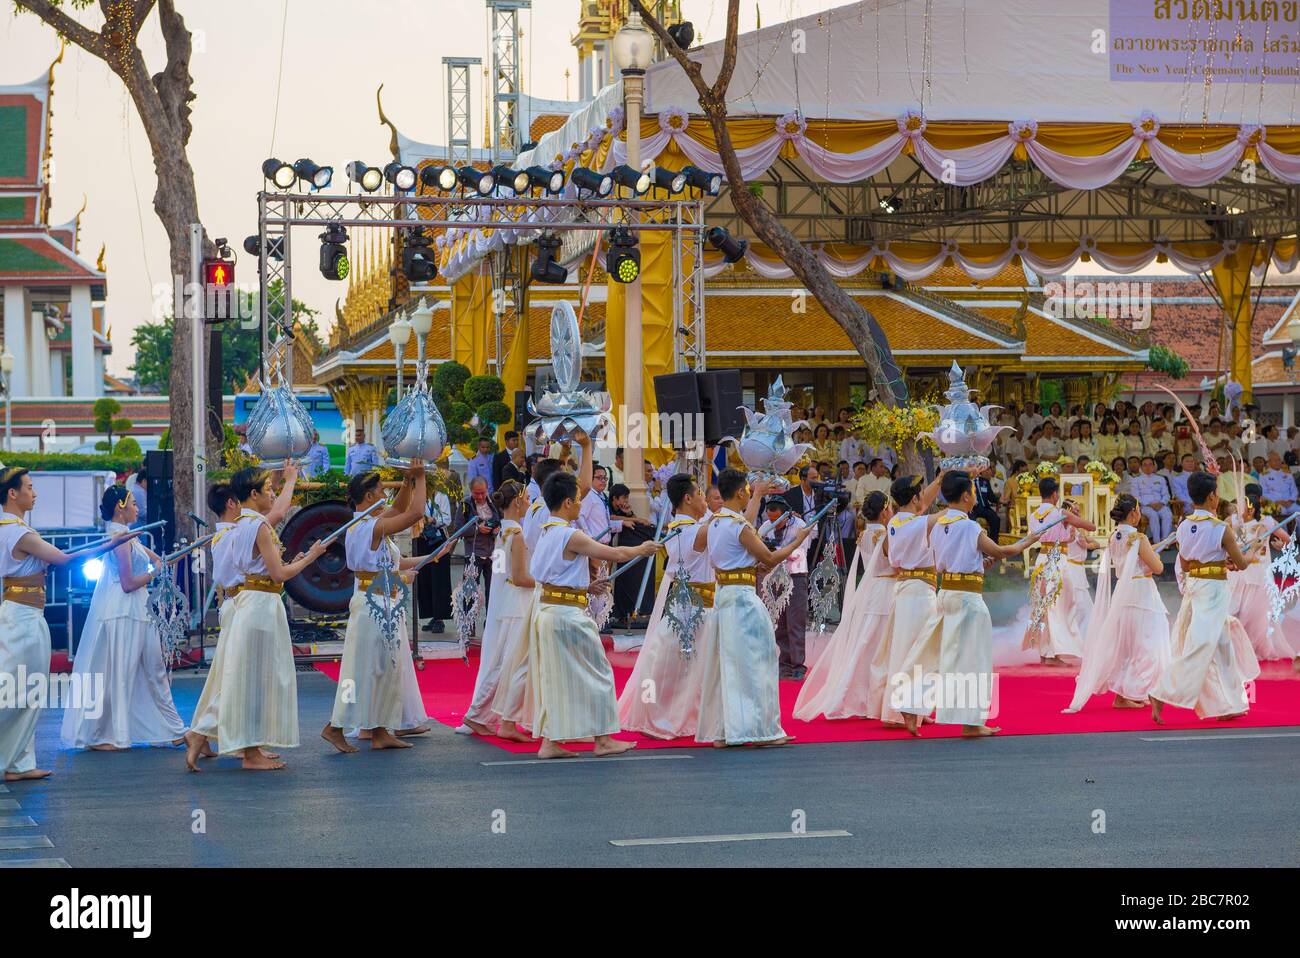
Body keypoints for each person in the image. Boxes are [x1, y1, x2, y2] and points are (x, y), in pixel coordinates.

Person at [184, 467, 327, 771]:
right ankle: (239, 749)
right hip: (258, 605)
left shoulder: (236, 526)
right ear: (253, 495)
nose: (272, 494)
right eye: (267, 488)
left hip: (251, 601)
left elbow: (265, 568)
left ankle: (222, 739)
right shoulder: (256, 526)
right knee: (250, 679)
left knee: (246, 678)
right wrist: (311, 558)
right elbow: (278, 574)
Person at [0, 468, 136, 781]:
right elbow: (65, 559)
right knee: (19, 691)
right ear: (12, 493)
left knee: (23, 690)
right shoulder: (18, 532)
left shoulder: (12, 527)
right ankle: (16, 762)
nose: (34, 494)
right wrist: (111, 544)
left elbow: (54, 557)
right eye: (30, 488)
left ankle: (19, 763)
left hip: (21, 614)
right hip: (23, 619)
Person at [528, 471, 658, 759]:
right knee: (599, 671)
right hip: (566, 615)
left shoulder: (547, 532)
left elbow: (549, 575)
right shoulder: (568, 533)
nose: (580, 505)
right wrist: (643, 549)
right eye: (576, 500)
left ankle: (550, 741)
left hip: (549, 610)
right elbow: (613, 554)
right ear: (565, 503)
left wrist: (584, 586)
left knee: (554, 678)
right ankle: (602, 739)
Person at [60, 485, 187, 751]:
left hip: (138, 610)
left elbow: (158, 560)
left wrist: (170, 560)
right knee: (122, 672)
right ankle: (110, 734)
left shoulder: (129, 536)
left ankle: (175, 729)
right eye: (133, 502)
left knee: (155, 669)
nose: (138, 507)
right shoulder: (118, 538)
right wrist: (156, 572)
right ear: (121, 506)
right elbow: (129, 583)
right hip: (122, 610)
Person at [696, 469, 812, 747]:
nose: (749, 492)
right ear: (739, 493)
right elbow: (770, 558)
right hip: (743, 600)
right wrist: (798, 539)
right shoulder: (739, 527)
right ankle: (760, 731)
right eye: (748, 490)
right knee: (759, 662)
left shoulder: (714, 522)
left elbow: (737, 532)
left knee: (727, 665)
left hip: (724, 596)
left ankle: (725, 731)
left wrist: (758, 495)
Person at [321, 464, 427, 754]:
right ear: (369, 496)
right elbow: (414, 513)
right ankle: (335, 725)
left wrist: (407, 480)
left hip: (378, 603)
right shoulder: (371, 526)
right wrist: (420, 476)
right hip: (375, 603)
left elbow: (400, 506)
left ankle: (380, 730)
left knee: (382, 670)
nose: (385, 495)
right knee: (361, 672)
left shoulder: (365, 521)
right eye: (380, 491)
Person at [927, 471, 1039, 737]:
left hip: (948, 593)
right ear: (966, 495)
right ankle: (972, 721)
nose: (975, 496)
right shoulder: (969, 526)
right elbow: (1001, 551)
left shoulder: (938, 524)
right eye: (973, 492)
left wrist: (979, 564)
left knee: (952, 659)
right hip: (967, 599)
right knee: (975, 659)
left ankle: (961, 716)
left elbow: (949, 562)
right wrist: (1029, 541)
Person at [1150, 472, 1259, 723]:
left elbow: (1188, 565)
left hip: (1197, 586)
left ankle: (1228, 703)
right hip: (1213, 590)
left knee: (1221, 646)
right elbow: (1242, 564)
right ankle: (1161, 691)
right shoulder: (1221, 528)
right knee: (1203, 645)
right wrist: (1252, 548)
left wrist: (1222, 562)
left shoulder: (1184, 526)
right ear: (1212, 496)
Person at [617, 473, 719, 739]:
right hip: (697, 608)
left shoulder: (680, 526)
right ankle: (671, 717)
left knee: (677, 665)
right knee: (689, 666)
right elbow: (727, 526)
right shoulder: (692, 530)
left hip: (685, 606)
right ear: (687, 498)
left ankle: (670, 714)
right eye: (700, 494)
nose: (704, 499)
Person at [793, 491, 895, 721]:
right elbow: (894, 564)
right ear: (884, 510)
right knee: (881, 647)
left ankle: (861, 696)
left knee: (866, 646)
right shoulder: (886, 535)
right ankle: (876, 698)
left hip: (870, 591)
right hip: (886, 589)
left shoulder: (865, 534)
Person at [1065, 494, 1168, 712]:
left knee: (1128, 647)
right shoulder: (1138, 537)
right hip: (1142, 592)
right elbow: (1157, 568)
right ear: (1133, 513)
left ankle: (1126, 694)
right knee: (1149, 645)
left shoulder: (1115, 536)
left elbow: (1138, 556)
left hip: (1123, 593)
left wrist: (1164, 543)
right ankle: (1135, 691)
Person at [460, 480, 535, 736]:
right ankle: (487, 715)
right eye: (526, 499)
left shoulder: (504, 530)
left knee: (508, 662)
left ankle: (484, 714)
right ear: (517, 501)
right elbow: (520, 578)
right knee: (511, 663)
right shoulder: (516, 534)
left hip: (508, 601)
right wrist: (548, 583)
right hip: (517, 602)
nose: (528, 503)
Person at [872, 473, 945, 733]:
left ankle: (915, 708)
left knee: (904, 650)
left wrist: (942, 478)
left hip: (906, 590)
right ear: (914, 498)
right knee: (923, 650)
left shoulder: (896, 521)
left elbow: (923, 505)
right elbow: (946, 515)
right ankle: (909, 708)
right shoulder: (917, 523)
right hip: (919, 594)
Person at [1023, 477, 1096, 665]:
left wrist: (1068, 530)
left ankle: (1046, 653)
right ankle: (1053, 653)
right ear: (1055, 494)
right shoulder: (1059, 512)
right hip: (1056, 561)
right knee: (1058, 607)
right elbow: (1090, 526)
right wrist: (1072, 519)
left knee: (1046, 607)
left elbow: (1062, 537)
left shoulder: (1033, 516)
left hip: (1041, 560)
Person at [1227, 493, 1296, 661]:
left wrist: (1281, 546)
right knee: (1232, 612)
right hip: (1236, 573)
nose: (1239, 509)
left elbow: (1289, 541)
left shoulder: (1266, 522)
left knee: (1254, 615)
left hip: (1257, 573)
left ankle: (1251, 649)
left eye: (1243, 505)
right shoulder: (1232, 521)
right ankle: (1233, 649)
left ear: (1251, 508)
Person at [757, 498, 811, 679]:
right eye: (770, 519)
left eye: (776, 520)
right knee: (779, 622)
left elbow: (800, 552)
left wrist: (776, 551)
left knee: (795, 621)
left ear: (787, 515)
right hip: (774, 577)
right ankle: (784, 663)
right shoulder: (765, 526)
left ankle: (798, 665)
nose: (772, 523)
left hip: (795, 575)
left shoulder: (800, 526)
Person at [413, 473, 453, 633]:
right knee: (425, 578)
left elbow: (447, 519)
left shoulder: (441, 496)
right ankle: (430, 614)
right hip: (422, 537)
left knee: (439, 579)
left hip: (437, 537)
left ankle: (440, 617)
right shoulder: (416, 497)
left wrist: (432, 520)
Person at [462, 476, 501, 611]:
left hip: (495, 553)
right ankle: (468, 625)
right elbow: (458, 529)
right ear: (470, 491)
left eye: (483, 493)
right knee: (470, 590)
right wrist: (477, 529)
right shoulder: (465, 504)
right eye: (476, 493)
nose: (480, 496)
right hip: (474, 552)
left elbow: (502, 520)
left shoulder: (494, 502)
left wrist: (497, 528)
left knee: (495, 590)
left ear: (487, 489)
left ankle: (491, 624)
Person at [1133, 456, 1174, 543]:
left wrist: (1162, 503)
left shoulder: (1160, 479)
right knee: (1153, 515)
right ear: (1141, 467)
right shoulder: (1136, 480)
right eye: (1145, 465)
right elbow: (1136, 496)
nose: (1148, 467)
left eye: (1150, 464)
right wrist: (1149, 504)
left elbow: (1166, 494)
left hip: (1160, 505)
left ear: (1154, 466)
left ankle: (1165, 541)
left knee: (1168, 514)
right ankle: (1157, 542)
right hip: (1145, 506)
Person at [1260, 452, 1299, 519]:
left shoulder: (1287, 474)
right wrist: (1277, 501)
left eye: (1279, 460)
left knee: (1298, 510)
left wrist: (1290, 501)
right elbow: (1264, 493)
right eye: (1275, 460)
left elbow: (1294, 491)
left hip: (1289, 503)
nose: (1278, 462)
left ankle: (1297, 529)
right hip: (1274, 503)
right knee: (1281, 513)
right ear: (1269, 462)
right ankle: (1284, 529)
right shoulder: (1263, 475)